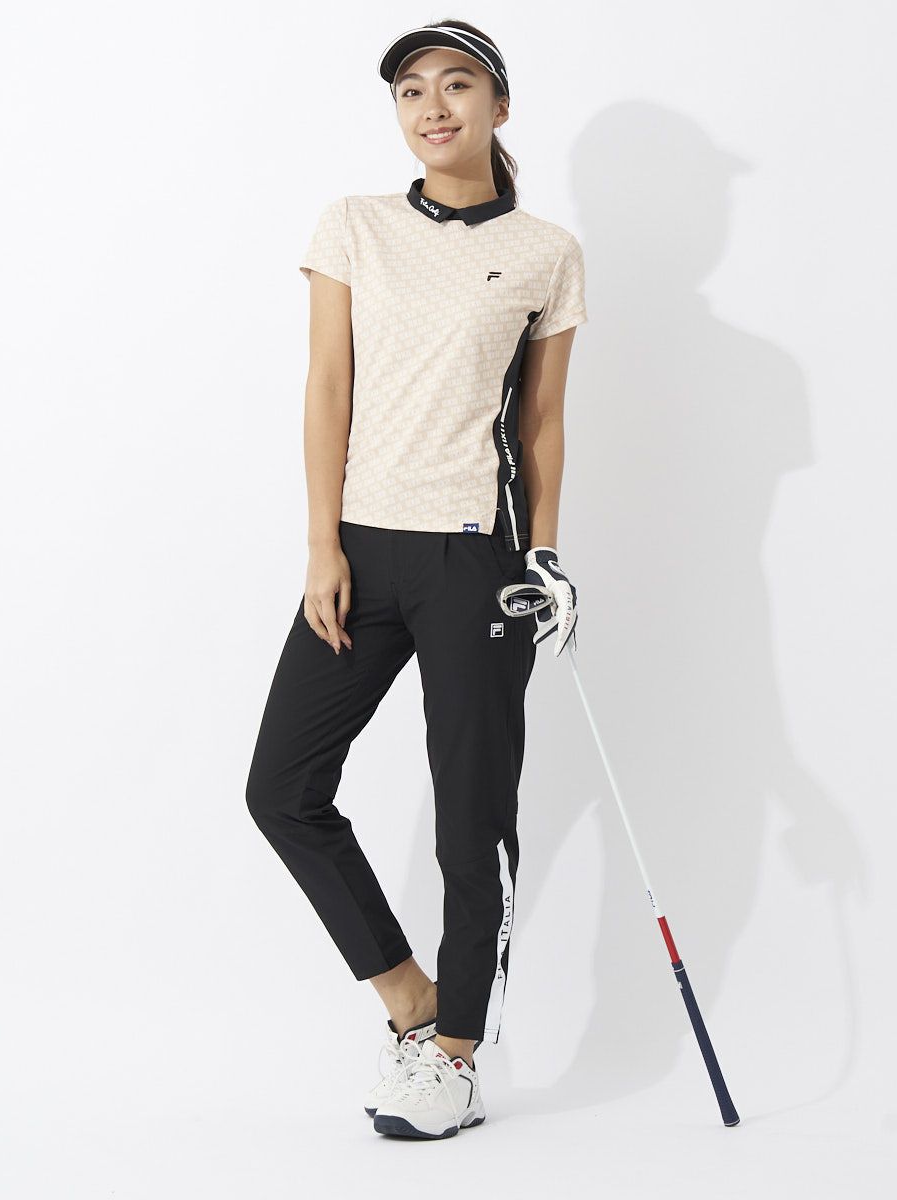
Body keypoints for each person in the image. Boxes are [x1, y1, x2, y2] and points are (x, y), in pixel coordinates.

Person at [245, 18, 588, 1140]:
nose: (432, 106)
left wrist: (543, 553)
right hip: (359, 549)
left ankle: (455, 1057)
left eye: (456, 84)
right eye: (410, 90)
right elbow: (326, 386)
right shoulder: (354, 225)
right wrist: (321, 545)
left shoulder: (545, 252)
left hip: (474, 562)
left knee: (471, 819)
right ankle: (410, 999)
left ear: (499, 105)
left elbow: (541, 420)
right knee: (283, 789)